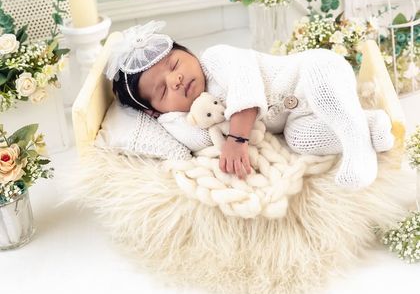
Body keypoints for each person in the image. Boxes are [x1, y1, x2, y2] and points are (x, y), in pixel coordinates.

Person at [106, 20, 395, 190]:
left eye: (174, 64)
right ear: (156, 109)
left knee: (326, 96)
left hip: (315, 71)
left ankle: (358, 148)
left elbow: (247, 86)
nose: (176, 79)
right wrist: (168, 118)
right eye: (162, 90)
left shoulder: (216, 59)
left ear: (190, 53)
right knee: (299, 138)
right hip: (296, 115)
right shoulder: (198, 113)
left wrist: (238, 139)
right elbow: (198, 140)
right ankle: (371, 124)